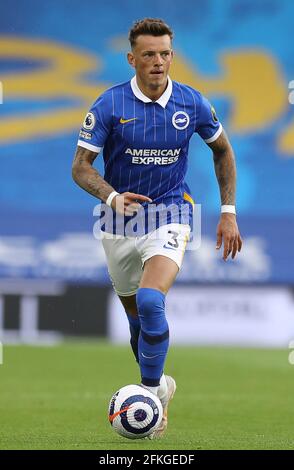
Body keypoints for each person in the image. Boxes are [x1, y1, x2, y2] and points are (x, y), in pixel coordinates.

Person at [72, 18, 242, 438]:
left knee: (151, 302)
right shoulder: (109, 106)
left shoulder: (193, 103)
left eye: (165, 53)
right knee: (136, 321)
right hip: (117, 220)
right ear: (132, 59)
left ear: (172, 55)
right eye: (148, 54)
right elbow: (80, 167)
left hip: (172, 213)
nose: (158, 62)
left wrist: (228, 210)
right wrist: (113, 197)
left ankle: (149, 394)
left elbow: (222, 150)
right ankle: (160, 386)